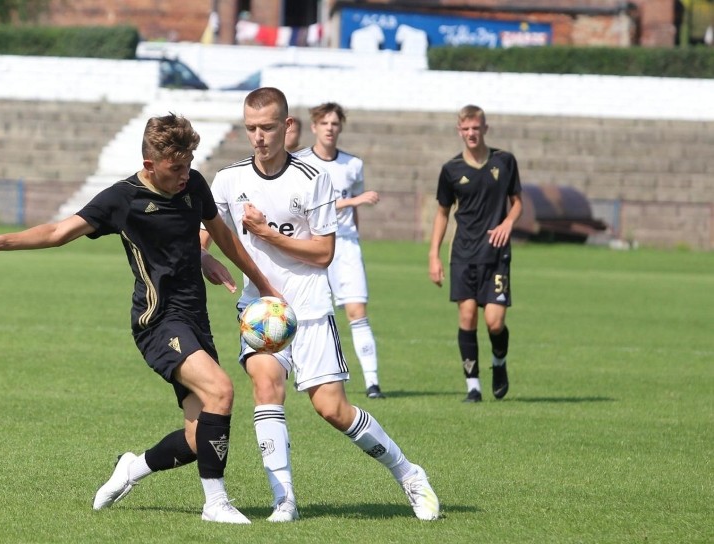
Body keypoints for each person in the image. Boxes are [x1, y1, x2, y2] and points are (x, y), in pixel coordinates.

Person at [0, 113, 278, 524]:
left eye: (188, 163)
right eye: (176, 168)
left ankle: (131, 468)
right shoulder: (123, 199)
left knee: (196, 435)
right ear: (150, 165)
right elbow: (61, 231)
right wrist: (2, 242)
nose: (185, 174)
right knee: (222, 390)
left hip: (195, 320)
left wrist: (261, 284)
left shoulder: (194, 185)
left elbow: (222, 236)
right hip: (158, 321)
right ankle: (215, 503)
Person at [201, 87, 440, 522]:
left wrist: (267, 234)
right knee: (265, 387)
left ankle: (408, 473)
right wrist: (201, 256)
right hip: (260, 311)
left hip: (310, 310)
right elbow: (209, 234)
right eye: (251, 128)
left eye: (268, 127)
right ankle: (284, 500)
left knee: (333, 409)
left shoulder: (314, 179)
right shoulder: (228, 180)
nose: (259, 137)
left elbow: (324, 253)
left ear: (287, 126)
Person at [428, 105, 523, 403]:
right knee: (467, 315)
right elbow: (442, 214)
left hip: (496, 254)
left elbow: (517, 202)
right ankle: (473, 385)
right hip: (464, 254)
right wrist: (434, 255)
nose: (471, 133)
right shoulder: (451, 170)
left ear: (485, 128)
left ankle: (499, 361)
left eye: (476, 128)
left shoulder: (505, 161)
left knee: (495, 322)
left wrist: (508, 222)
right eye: (466, 129)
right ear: (459, 131)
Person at [293, 102, 385, 399]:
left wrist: (354, 233)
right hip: (312, 243)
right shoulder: (300, 162)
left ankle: (372, 382)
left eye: (335, 123)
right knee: (309, 312)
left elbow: (353, 210)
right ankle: (305, 375)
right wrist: (351, 202)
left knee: (357, 312)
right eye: (325, 123)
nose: (330, 128)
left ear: (340, 127)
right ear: (315, 127)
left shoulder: (353, 164)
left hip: (345, 244)